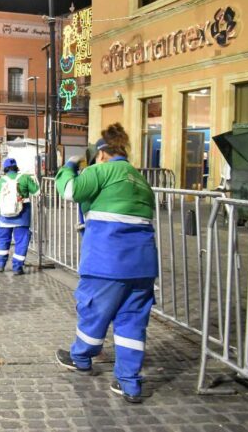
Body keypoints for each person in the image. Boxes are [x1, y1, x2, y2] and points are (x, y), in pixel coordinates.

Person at [54, 123, 157, 404]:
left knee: (93, 312)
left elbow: (69, 191)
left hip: (107, 262)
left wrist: (67, 168)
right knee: (132, 323)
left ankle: (81, 358)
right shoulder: (139, 179)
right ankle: (129, 383)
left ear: (101, 154)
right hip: (144, 266)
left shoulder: (102, 170)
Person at [0, 158, 39, 275]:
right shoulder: (24, 178)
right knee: (21, 241)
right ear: (16, 168)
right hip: (22, 217)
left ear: (5, 169)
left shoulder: (0, 182)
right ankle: (17, 267)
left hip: (4, 218)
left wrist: (1, 211)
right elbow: (37, 192)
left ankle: (0, 264)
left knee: (3, 240)